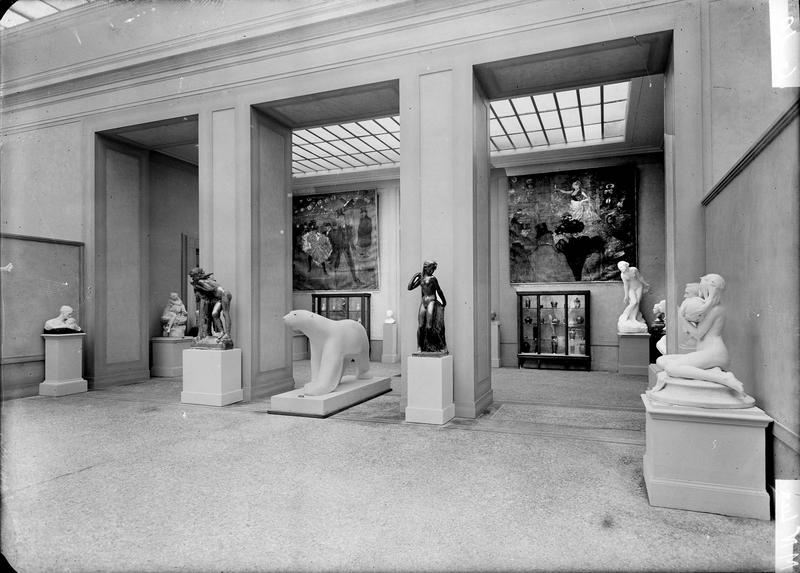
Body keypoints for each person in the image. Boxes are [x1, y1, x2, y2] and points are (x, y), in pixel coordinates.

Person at [654, 275, 747, 398]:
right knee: (662, 360)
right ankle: (712, 371)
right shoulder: (710, 307)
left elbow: (698, 334)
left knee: (671, 368)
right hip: (705, 352)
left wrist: (681, 317)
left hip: (715, 353)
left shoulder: (717, 309)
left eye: (702, 286)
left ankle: (722, 377)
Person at [407, 260, 448, 353]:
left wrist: (444, 302)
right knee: (421, 326)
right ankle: (419, 347)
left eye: (433, 269)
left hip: (431, 301)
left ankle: (440, 346)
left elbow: (439, 291)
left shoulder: (433, 279)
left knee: (429, 326)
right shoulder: (421, 278)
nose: (432, 271)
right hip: (424, 302)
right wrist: (415, 276)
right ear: (426, 268)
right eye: (431, 269)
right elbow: (409, 287)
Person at [188, 267, 233, 347]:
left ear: (197, 275)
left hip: (224, 295)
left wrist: (199, 288)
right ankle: (222, 332)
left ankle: (228, 335)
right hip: (219, 298)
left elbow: (210, 289)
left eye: (193, 276)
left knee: (225, 314)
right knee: (215, 314)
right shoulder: (204, 280)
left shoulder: (201, 281)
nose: (193, 278)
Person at [328, 210, 360, 285]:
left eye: (342, 218)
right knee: (336, 264)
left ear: (344, 218)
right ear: (338, 220)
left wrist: (353, 248)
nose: (341, 220)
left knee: (351, 264)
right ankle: (335, 281)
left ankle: (355, 279)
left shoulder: (348, 228)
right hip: (338, 249)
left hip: (346, 248)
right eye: (339, 218)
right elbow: (332, 239)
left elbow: (350, 239)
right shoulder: (334, 230)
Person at [617, 261, 649, 331]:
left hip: (639, 287)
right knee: (634, 302)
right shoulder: (623, 275)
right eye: (620, 268)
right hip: (631, 289)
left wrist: (645, 284)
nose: (621, 269)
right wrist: (626, 296)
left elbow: (640, 277)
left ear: (626, 265)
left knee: (637, 303)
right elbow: (625, 285)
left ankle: (633, 319)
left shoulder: (634, 269)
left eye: (622, 267)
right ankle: (625, 315)